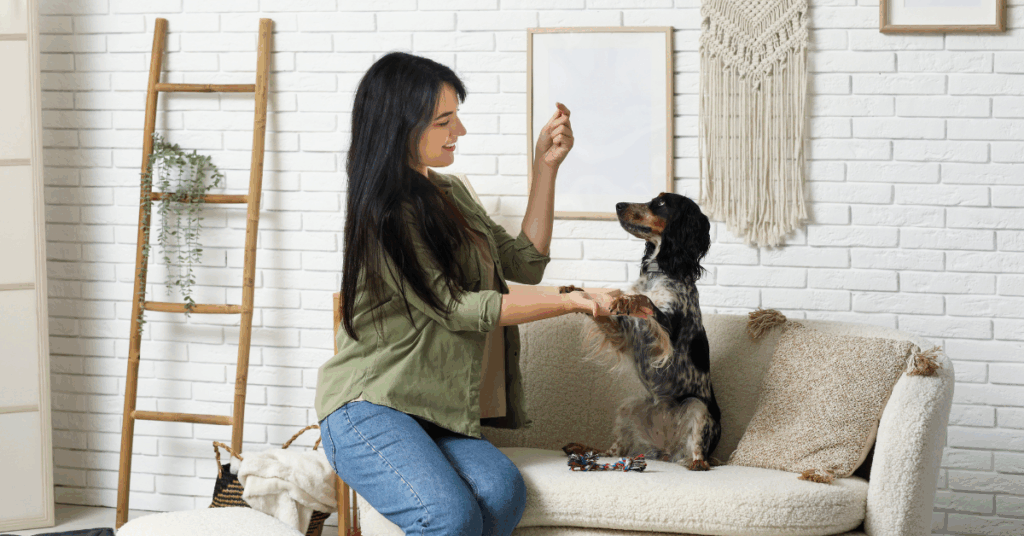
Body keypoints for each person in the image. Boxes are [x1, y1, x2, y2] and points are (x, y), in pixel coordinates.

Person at [315, 52, 651, 536]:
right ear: (399, 125)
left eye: (456, 116)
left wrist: (545, 167)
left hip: (432, 410)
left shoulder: (451, 193)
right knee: (449, 516)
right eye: (444, 121)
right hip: (369, 406)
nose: (460, 131)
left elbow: (525, 261)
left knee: (501, 494)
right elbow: (455, 307)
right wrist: (571, 299)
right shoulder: (385, 212)